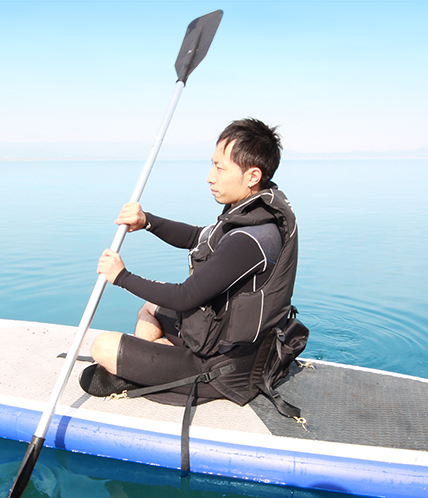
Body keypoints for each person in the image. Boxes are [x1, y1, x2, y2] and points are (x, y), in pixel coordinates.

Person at [81, 118, 299, 406]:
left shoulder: (252, 238)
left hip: (222, 367)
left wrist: (121, 276)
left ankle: (143, 368)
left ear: (252, 176)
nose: (210, 176)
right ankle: (145, 365)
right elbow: (198, 236)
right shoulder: (249, 212)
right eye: (213, 164)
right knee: (150, 307)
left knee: (102, 346)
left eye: (220, 168)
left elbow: (185, 297)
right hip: (212, 335)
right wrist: (147, 221)